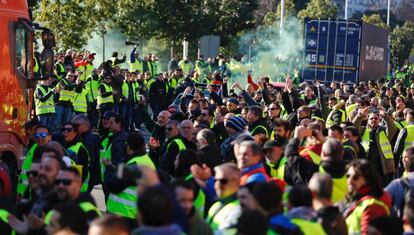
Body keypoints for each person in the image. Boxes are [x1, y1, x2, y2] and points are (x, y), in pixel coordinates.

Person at [105, 132, 155, 222]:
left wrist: (108, 168)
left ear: (128, 147)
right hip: (135, 214)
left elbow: (113, 185)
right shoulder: (146, 161)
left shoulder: (133, 165)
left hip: (123, 214)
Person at [343, 159, 392, 235]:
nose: (350, 181)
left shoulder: (372, 206)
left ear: (368, 178)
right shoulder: (356, 200)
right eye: (348, 176)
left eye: (355, 177)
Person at [354, 107, 397, 184]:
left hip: (383, 168)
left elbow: (393, 128)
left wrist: (386, 116)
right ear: (367, 121)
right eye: (371, 118)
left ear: (379, 120)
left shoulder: (384, 131)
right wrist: (360, 116)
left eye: (376, 118)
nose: (374, 120)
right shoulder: (363, 131)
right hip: (367, 167)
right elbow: (354, 128)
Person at [17, 125, 53, 197]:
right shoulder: (34, 148)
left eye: (43, 135)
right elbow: (26, 170)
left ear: (50, 137)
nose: (39, 137)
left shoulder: (54, 151)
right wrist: (21, 192)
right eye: (37, 135)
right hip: (28, 192)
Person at [206, 163, 242, 234]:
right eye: (215, 180)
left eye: (223, 181)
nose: (218, 184)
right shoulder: (216, 205)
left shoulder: (240, 208)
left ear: (237, 182)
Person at [72, 114, 101, 191]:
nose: (74, 127)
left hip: (85, 178)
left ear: (86, 126)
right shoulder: (81, 137)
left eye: (76, 125)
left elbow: (90, 160)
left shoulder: (89, 139)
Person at [385, 146, 414, 218]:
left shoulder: (397, 184)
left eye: (406, 157)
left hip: (403, 225)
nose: (403, 160)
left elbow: (381, 200)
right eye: (403, 157)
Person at [61, 122, 90, 192]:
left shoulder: (80, 149)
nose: (65, 132)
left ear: (75, 133)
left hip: (77, 190)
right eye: (64, 129)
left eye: (69, 130)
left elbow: (83, 172)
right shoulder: (62, 147)